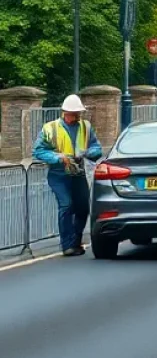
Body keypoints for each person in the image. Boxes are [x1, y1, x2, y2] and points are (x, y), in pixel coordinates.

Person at [32, 94, 104, 257]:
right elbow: (38, 151)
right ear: (65, 112)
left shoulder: (85, 127)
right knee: (66, 205)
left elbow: (97, 149)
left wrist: (85, 152)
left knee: (82, 208)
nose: (78, 116)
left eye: (79, 112)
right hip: (58, 174)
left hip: (77, 173)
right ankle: (67, 245)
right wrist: (58, 157)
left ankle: (76, 242)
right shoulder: (50, 128)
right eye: (74, 113)